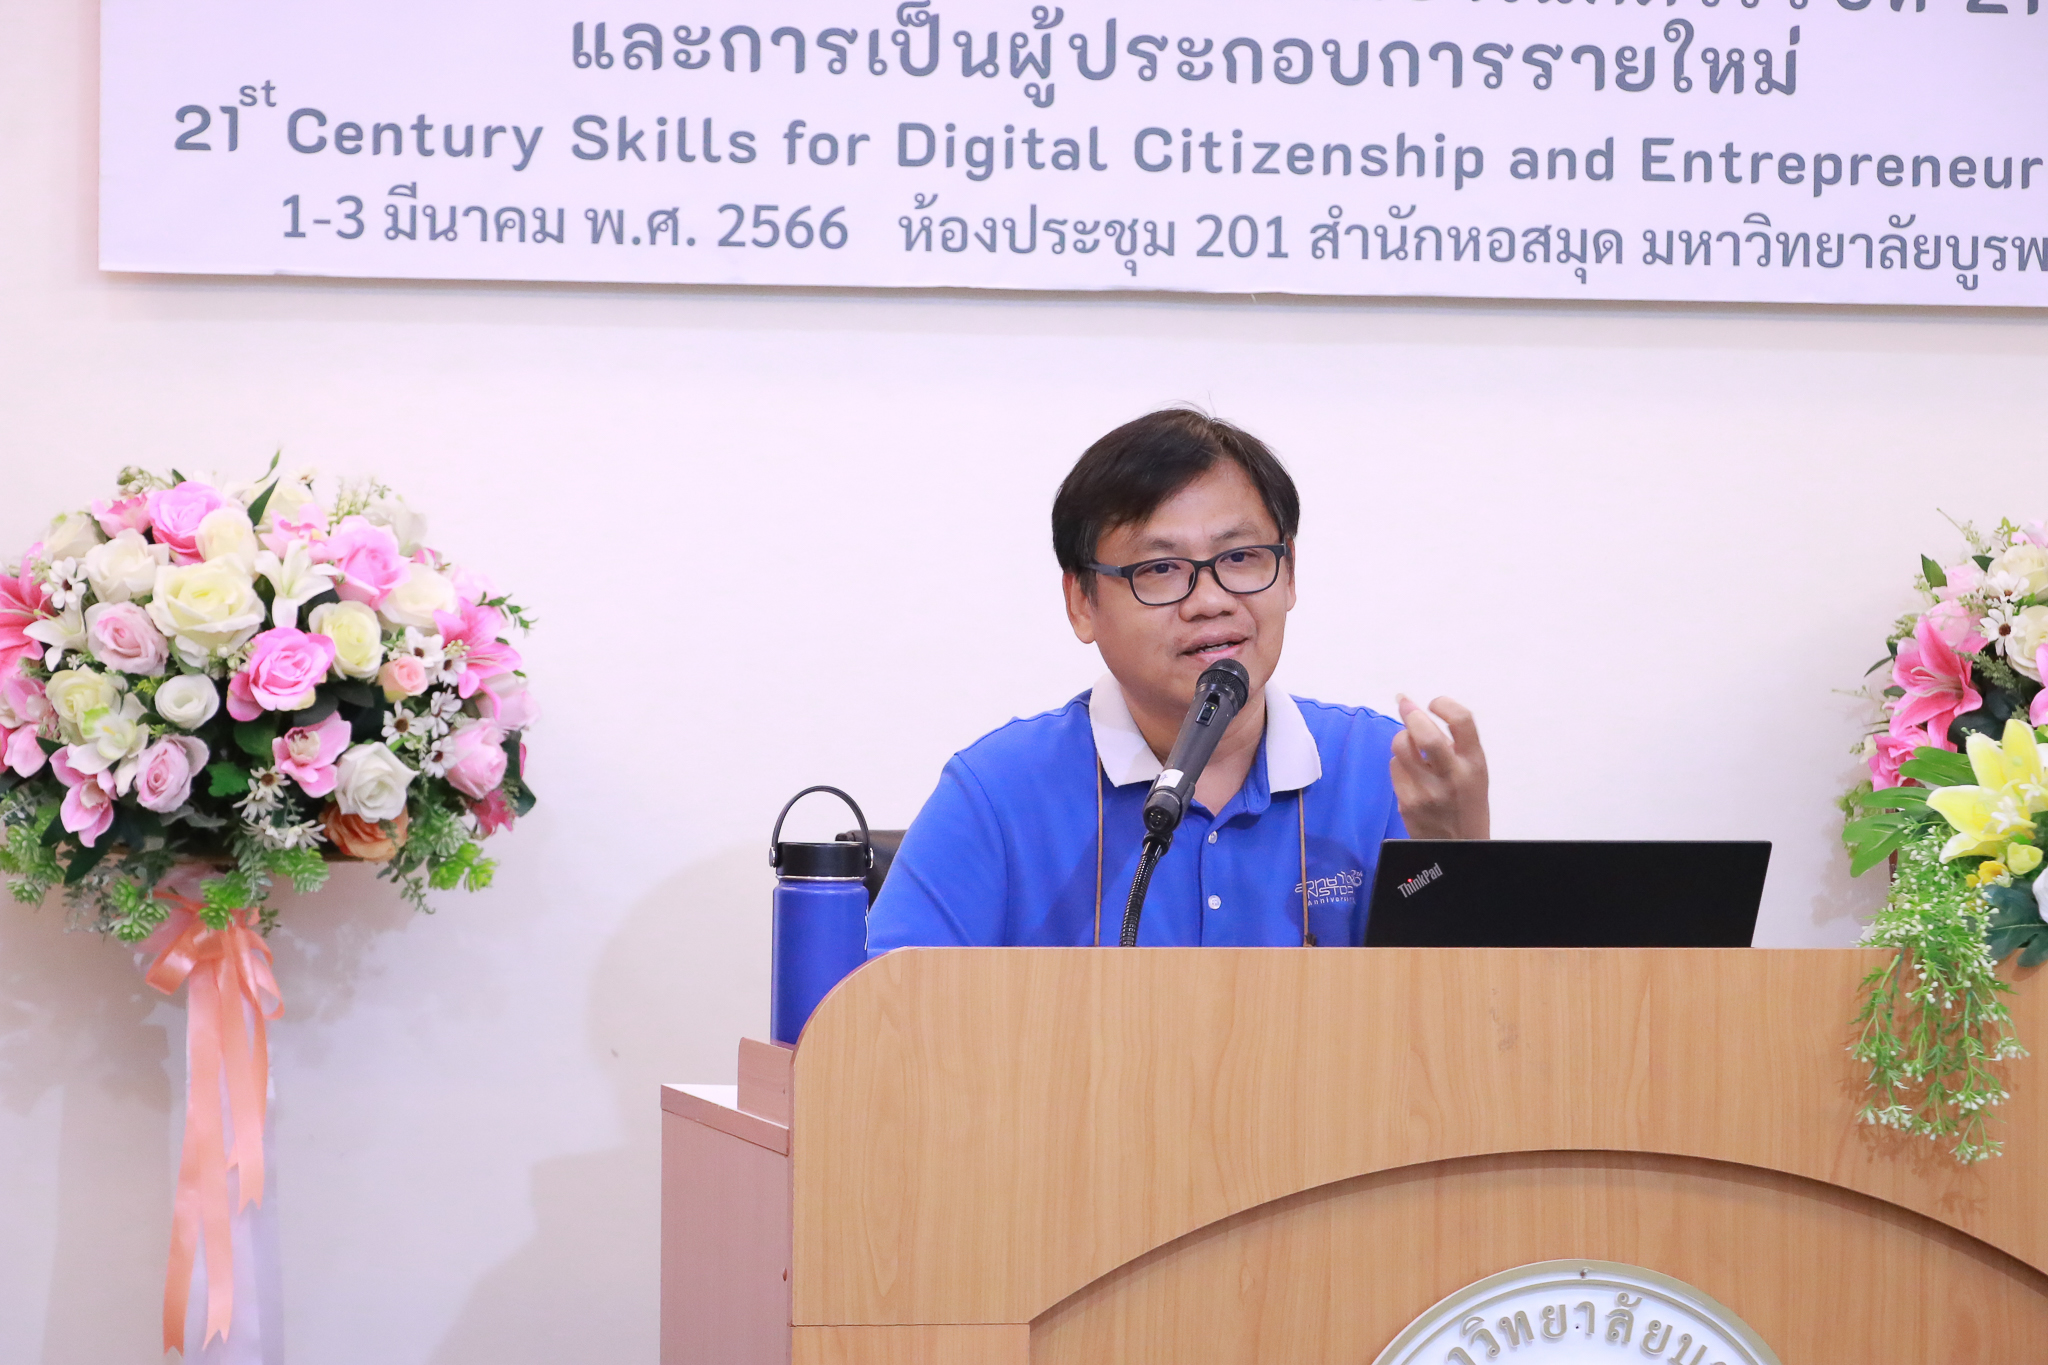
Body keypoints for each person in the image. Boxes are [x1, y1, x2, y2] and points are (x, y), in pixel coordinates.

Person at [866, 408, 1490, 951]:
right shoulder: (999, 792)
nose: (1211, 601)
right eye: (1161, 568)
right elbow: (883, 1019)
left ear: (1290, 573)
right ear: (1081, 602)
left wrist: (1457, 856)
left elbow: (1474, 1023)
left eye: (1240, 558)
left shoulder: (1382, 773)